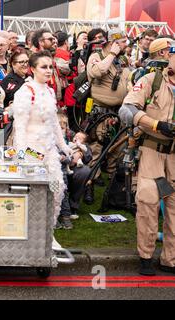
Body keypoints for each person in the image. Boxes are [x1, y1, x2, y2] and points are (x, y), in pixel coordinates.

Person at [119, 38, 175, 276]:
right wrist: (155, 124)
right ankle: (145, 256)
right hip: (152, 150)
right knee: (149, 204)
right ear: (168, 57)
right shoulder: (152, 80)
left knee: (174, 210)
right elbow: (127, 110)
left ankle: (169, 259)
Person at [13, 50, 72, 225]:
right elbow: (20, 127)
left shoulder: (50, 92)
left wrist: (64, 146)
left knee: (57, 188)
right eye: (43, 67)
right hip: (32, 152)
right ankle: (31, 230)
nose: (48, 71)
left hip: (49, 151)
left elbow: (54, 123)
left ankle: (49, 229)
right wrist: (22, 155)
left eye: (50, 67)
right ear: (32, 69)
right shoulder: (25, 92)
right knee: (34, 192)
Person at [85, 28, 131, 202]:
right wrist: (112, 53)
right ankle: (89, 184)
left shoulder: (123, 60)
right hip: (100, 112)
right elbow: (96, 73)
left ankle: (114, 191)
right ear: (114, 42)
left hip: (119, 112)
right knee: (96, 149)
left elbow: (127, 81)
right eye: (123, 42)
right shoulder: (96, 57)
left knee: (117, 151)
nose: (127, 45)